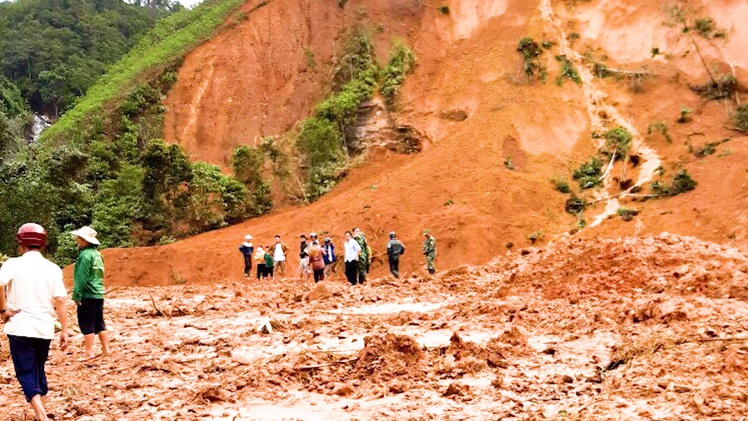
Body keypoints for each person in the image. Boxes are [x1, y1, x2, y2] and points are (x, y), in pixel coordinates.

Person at [0, 223, 68, 421]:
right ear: (43, 243)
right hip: (44, 328)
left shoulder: (12, 264)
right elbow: (61, 300)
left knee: (26, 371)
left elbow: (0, 284)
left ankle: (42, 415)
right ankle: (40, 415)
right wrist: (64, 329)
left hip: (20, 326)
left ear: (20, 242)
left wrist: (3, 311)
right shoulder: (53, 268)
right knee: (39, 368)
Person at [71, 226, 110, 362]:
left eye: (79, 238)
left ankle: (89, 352)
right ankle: (106, 349)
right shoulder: (97, 254)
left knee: (86, 322)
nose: (77, 240)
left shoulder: (85, 255)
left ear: (85, 241)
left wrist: (76, 295)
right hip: (99, 292)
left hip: (88, 294)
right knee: (99, 321)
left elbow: (81, 277)